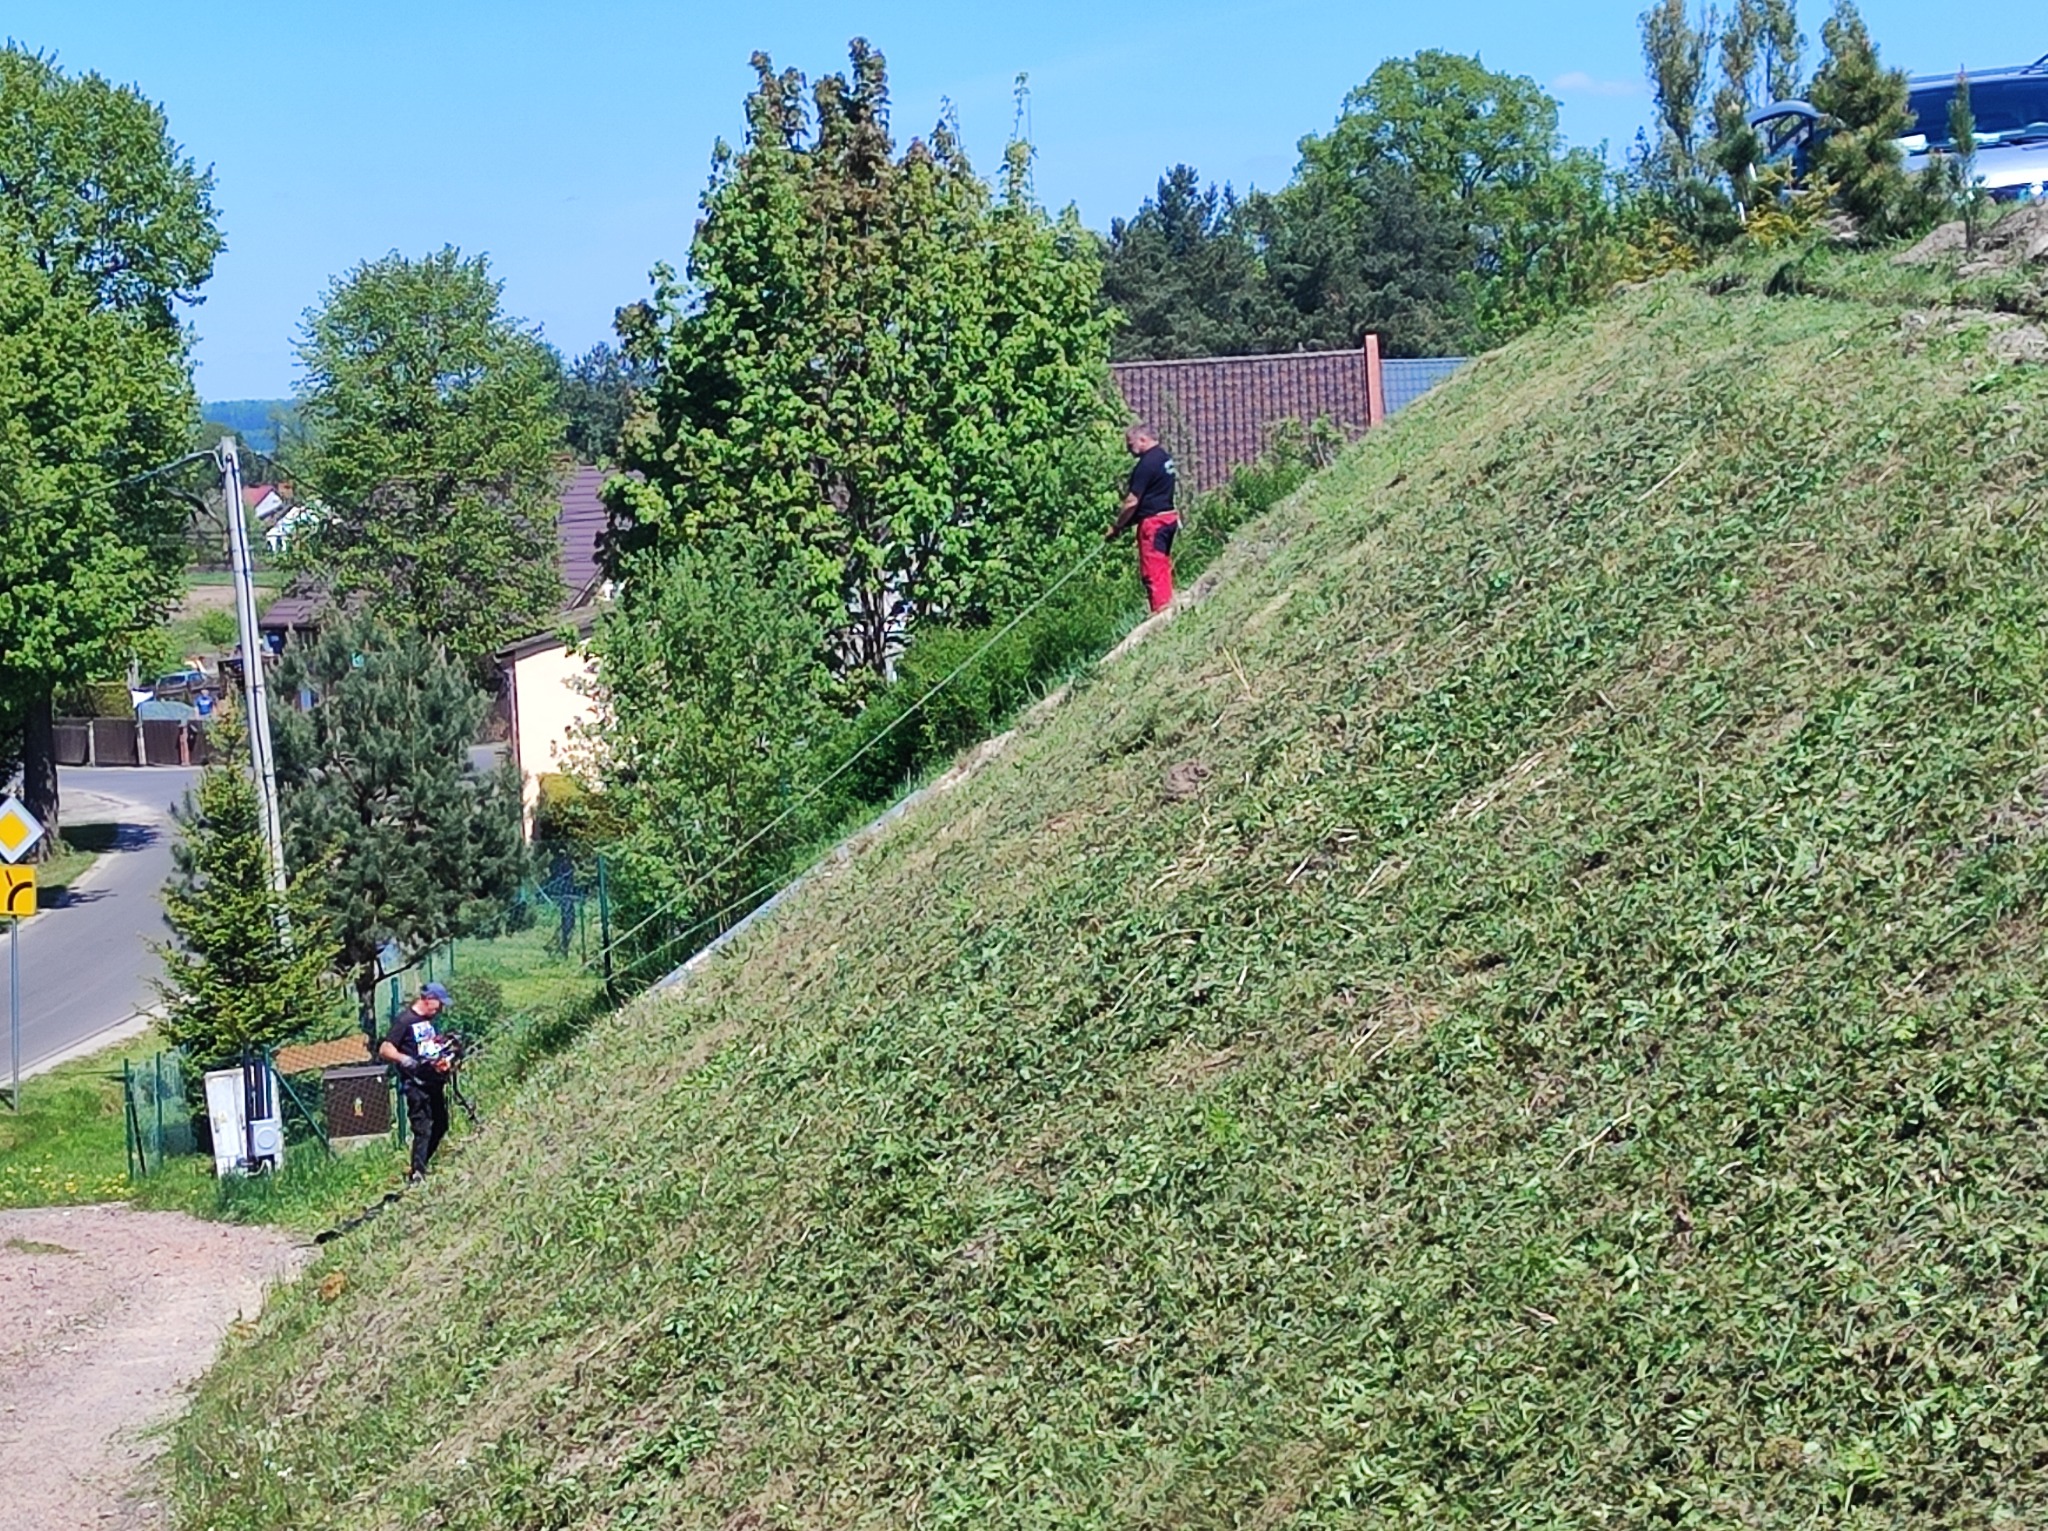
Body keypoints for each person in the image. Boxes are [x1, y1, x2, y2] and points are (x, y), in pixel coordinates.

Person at [378, 981, 455, 1183]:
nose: (441, 1009)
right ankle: (417, 1174)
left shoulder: (428, 1021)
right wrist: (405, 1060)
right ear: (429, 999)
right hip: (415, 1084)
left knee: (441, 1124)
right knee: (423, 1128)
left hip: (433, 1081)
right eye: (439, 1003)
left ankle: (422, 1165)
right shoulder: (405, 1021)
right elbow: (385, 1048)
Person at [1108, 425, 1179, 614]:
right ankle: (1168, 603)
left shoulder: (1146, 464)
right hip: (1169, 517)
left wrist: (1118, 526)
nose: (1129, 450)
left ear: (1142, 440)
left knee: (1152, 571)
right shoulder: (1164, 457)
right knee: (1163, 565)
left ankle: (1161, 612)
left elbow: (1132, 502)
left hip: (1154, 523)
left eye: (1130, 445)